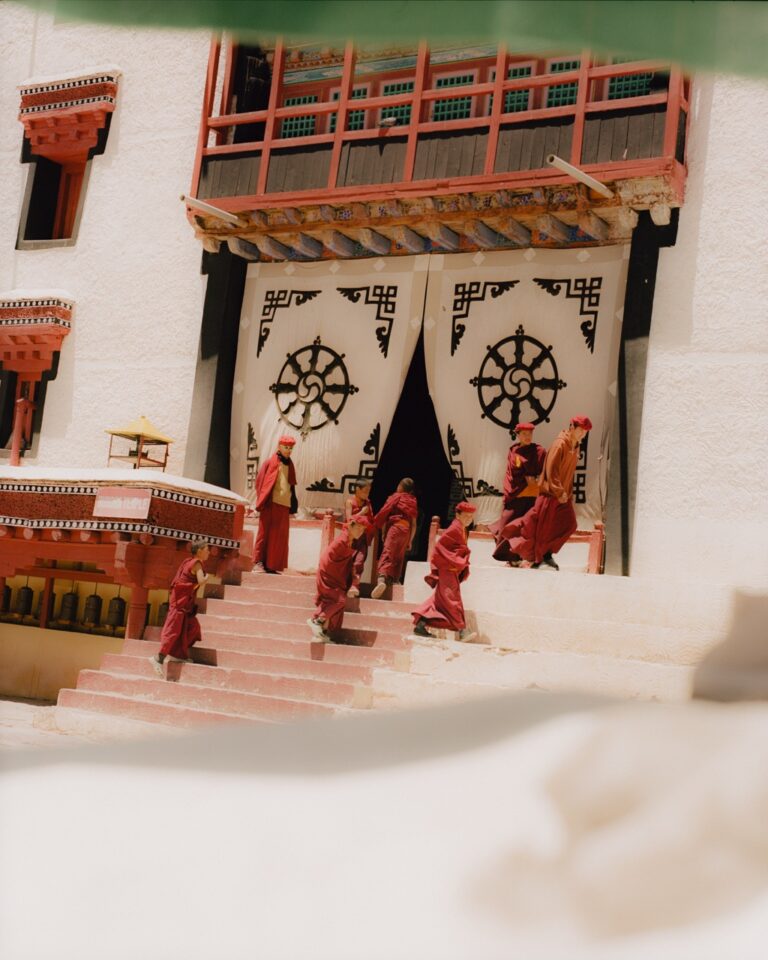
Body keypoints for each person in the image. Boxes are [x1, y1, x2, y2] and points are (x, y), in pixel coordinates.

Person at [493, 415, 592, 570]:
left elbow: (568, 474)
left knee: (568, 524)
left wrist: (568, 494)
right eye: (581, 431)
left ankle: (542, 554)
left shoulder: (571, 447)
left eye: (585, 432)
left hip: (554, 495)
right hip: (545, 494)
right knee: (534, 528)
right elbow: (551, 471)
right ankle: (538, 557)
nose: (582, 435)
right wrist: (558, 491)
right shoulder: (559, 445)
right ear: (572, 427)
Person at [411, 502, 477, 642]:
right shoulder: (454, 528)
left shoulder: (462, 529)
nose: (469, 519)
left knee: (439, 601)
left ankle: (421, 624)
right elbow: (440, 547)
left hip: (451, 571)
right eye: (466, 516)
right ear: (457, 515)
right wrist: (457, 560)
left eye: (471, 517)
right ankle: (462, 630)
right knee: (452, 600)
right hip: (447, 570)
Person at [149, 540, 210, 677]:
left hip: (183, 604)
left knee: (192, 628)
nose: (209, 552)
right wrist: (206, 578)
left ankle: (178, 654)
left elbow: (185, 582)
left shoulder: (187, 562)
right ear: (199, 550)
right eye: (207, 549)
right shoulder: (197, 563)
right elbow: (200, 580)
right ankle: (158, 658)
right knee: (172, 631)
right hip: (179, 605)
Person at [489, 422, 547, 565]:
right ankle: (510, 557)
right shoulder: (513, 451)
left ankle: (526, 558)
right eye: (524, 434)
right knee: (506, 524)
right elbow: (511, 474)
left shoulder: (538, 451)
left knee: (527, 528)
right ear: (518, 435)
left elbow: (544, 471)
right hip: (516, 495)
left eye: (530, 434)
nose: (528, 437)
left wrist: (536, 479)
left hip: (532, 496)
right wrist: (522, 481)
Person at [307, 515, 369, 642]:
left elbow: (347, 562)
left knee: (330, 601)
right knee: (339, 600)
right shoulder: (342, 540)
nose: (361, 532)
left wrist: (352, 579)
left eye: (363, 530)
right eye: (359, 528)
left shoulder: (349, 540)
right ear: (351, 525)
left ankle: (320, 634)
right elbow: (328, 559)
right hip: (329, 574)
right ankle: (317, 620)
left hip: (335, 575)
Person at [253, 435, 298, 573]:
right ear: (279, 446)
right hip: (270, 503)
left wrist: (293, 505)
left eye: (291, 448)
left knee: (279, 537)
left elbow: (291, 486)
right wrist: (262, 501)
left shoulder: (290, 465)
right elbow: (260, 482)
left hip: (284, 505)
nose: (288, 450)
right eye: (286, 447)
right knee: (264, 533)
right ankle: (258, 562)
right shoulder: (269, 463)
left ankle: (272, 565)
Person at [371, 477, 418, 599]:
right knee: (399, 556)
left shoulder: (394, 497)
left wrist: (381, 531)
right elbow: (414, 523)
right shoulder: (412, 501)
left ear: (400, 487)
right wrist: (410, 540)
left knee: (388, 553)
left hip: (395, 528)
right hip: (406, 530)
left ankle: (381, 579)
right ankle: (395, 581)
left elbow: (385, 513)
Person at [344, 478, 374, 598]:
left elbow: (371, 520)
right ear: (357, 490)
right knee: (348, 563)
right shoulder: (349, 502)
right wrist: (361, 513)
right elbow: (349, 520)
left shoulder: (367, 503)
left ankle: (354, 586)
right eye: (365, 491)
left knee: (359, 562)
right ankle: (345, 586)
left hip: (362, 538)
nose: (367, 494)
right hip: (351, 537)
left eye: (368, 492)